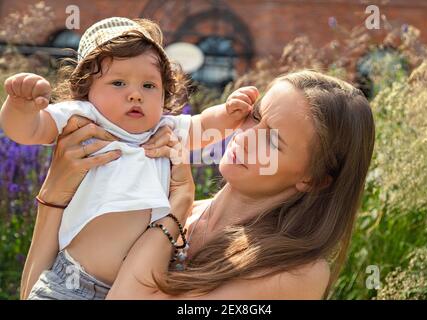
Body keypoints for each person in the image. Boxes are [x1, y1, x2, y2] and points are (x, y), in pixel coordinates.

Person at [21, 70, 375, 300]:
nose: (246, 137)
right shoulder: (180, 214)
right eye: (254, 116)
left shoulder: (295, 274)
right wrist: (56, 193)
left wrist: (177, 204)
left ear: (313, 179)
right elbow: (44, 290)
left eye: (273, 142)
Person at [0, 17, 256, 299]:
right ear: (86, 91)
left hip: (137, 288)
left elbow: (204, 126)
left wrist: (230, 112)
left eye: (149, 86)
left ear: (164, 95)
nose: (135, 95)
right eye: (118, 83)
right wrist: (20, 107)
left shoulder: (164, 130)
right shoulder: (84, 117)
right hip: (73, 285)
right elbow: (29, 131)